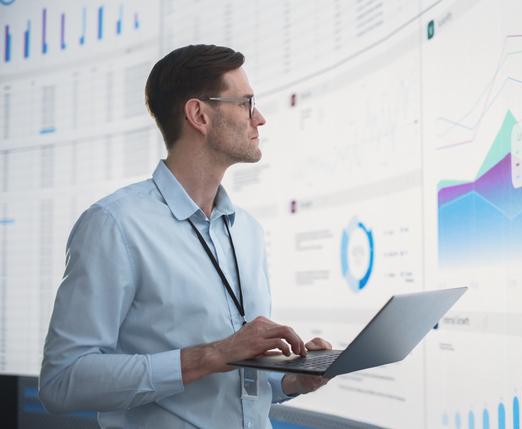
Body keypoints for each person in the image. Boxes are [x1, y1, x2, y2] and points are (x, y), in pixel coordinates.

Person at [39, 44, 330, 428]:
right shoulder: (114, 225)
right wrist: (210, 356)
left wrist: (292, 380)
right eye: (245, 103)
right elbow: (62, 381)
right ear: (199, 114)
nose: (259, 118)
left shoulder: (248, 232)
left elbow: (235, 388)